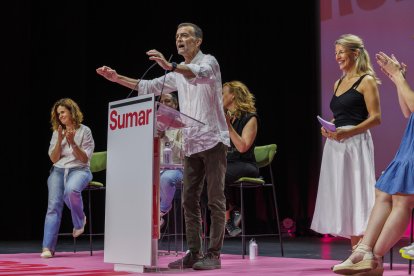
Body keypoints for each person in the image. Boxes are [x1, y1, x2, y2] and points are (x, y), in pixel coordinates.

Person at [96, 22, 229, 270]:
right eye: (177, 36)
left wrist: (172, 66)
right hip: (190, 142)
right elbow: (148, 86)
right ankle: (193, 252)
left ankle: (214, 255)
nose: (180, 39)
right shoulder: (176, 75)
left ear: (198, 41)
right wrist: (116, 78)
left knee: (214, 200)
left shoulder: (209, 62)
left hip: (213, 140)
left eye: (185, 35)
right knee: (189, 200)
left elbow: (198, 73)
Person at [332, 51, 413, 275]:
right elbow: (408, 111)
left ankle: (373, 259)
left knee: (402, 201)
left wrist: (399, 77)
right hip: (409, 144)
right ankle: (365, 252)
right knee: (383, 193)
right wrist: (398, 80)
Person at [310, 34, 382, 248]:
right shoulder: (338, 82)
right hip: (337, 144)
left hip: (355, 143)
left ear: (355, 53)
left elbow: (376, 118)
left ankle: (363, 249)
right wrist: (329, 127)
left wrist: (347, 133)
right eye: (336, 52)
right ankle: (355, 250)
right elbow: (341, 115)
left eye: (341, 52)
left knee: (357, 192)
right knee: (342, 193)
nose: (337, 56)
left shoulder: (366, 80)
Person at [41, 98, 95, 258]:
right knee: (53, 207)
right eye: (58, 114)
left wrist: (72, 143)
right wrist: (59, 139)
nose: (60, 116)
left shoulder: (85, 131)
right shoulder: (57, 132)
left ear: (71, 112)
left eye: (63, 112)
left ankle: (79, 221)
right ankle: (47, 248)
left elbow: (85, 159)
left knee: (71, 190)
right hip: (58, 170)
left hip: (80, 169)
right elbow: (54, 158)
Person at [222, 80, 259, 237]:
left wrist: (228, 127)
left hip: (245, 164)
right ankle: (230, 211)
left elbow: (243, 147)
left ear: (233, 96)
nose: (220, 96)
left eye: (222, 93)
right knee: (201, 178)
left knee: (216, 176)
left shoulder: (250, 118)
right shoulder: (225, 117)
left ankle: (228, 217)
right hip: (227, 162)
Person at [158, 93, 184, 228]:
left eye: (167, 101)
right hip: (157, 167)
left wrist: (167, 137)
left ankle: (161, 211)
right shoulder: (155, 123)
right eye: (161, 101)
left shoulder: (183, 123)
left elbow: (184, 152)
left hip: (177, 168)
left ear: (175, 105)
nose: (163, 104)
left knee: (166, 180)